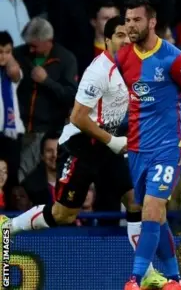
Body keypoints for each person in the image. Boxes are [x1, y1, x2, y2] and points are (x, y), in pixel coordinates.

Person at [0, 16, 167, 289]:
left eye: (130, 35)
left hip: (108, 146)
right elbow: (77, 117)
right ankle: (7, 226)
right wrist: (113, 142)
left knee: (136, 202)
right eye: (121, 35)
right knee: (63, 214)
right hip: (80, 145)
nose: (127, 40)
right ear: (108, 40)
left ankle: (144, 272)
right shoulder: (98, 71)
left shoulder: (133, 67)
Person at [118, 0, 181, 290]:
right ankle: (175, 280)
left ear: (152, 22)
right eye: (128, 20)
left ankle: (136, 278)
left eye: (137, 20)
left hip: (169, 147)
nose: (131, 25)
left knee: (152, 210)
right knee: (156, 216)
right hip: (136, 149)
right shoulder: (123, 57)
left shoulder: (174, 58)